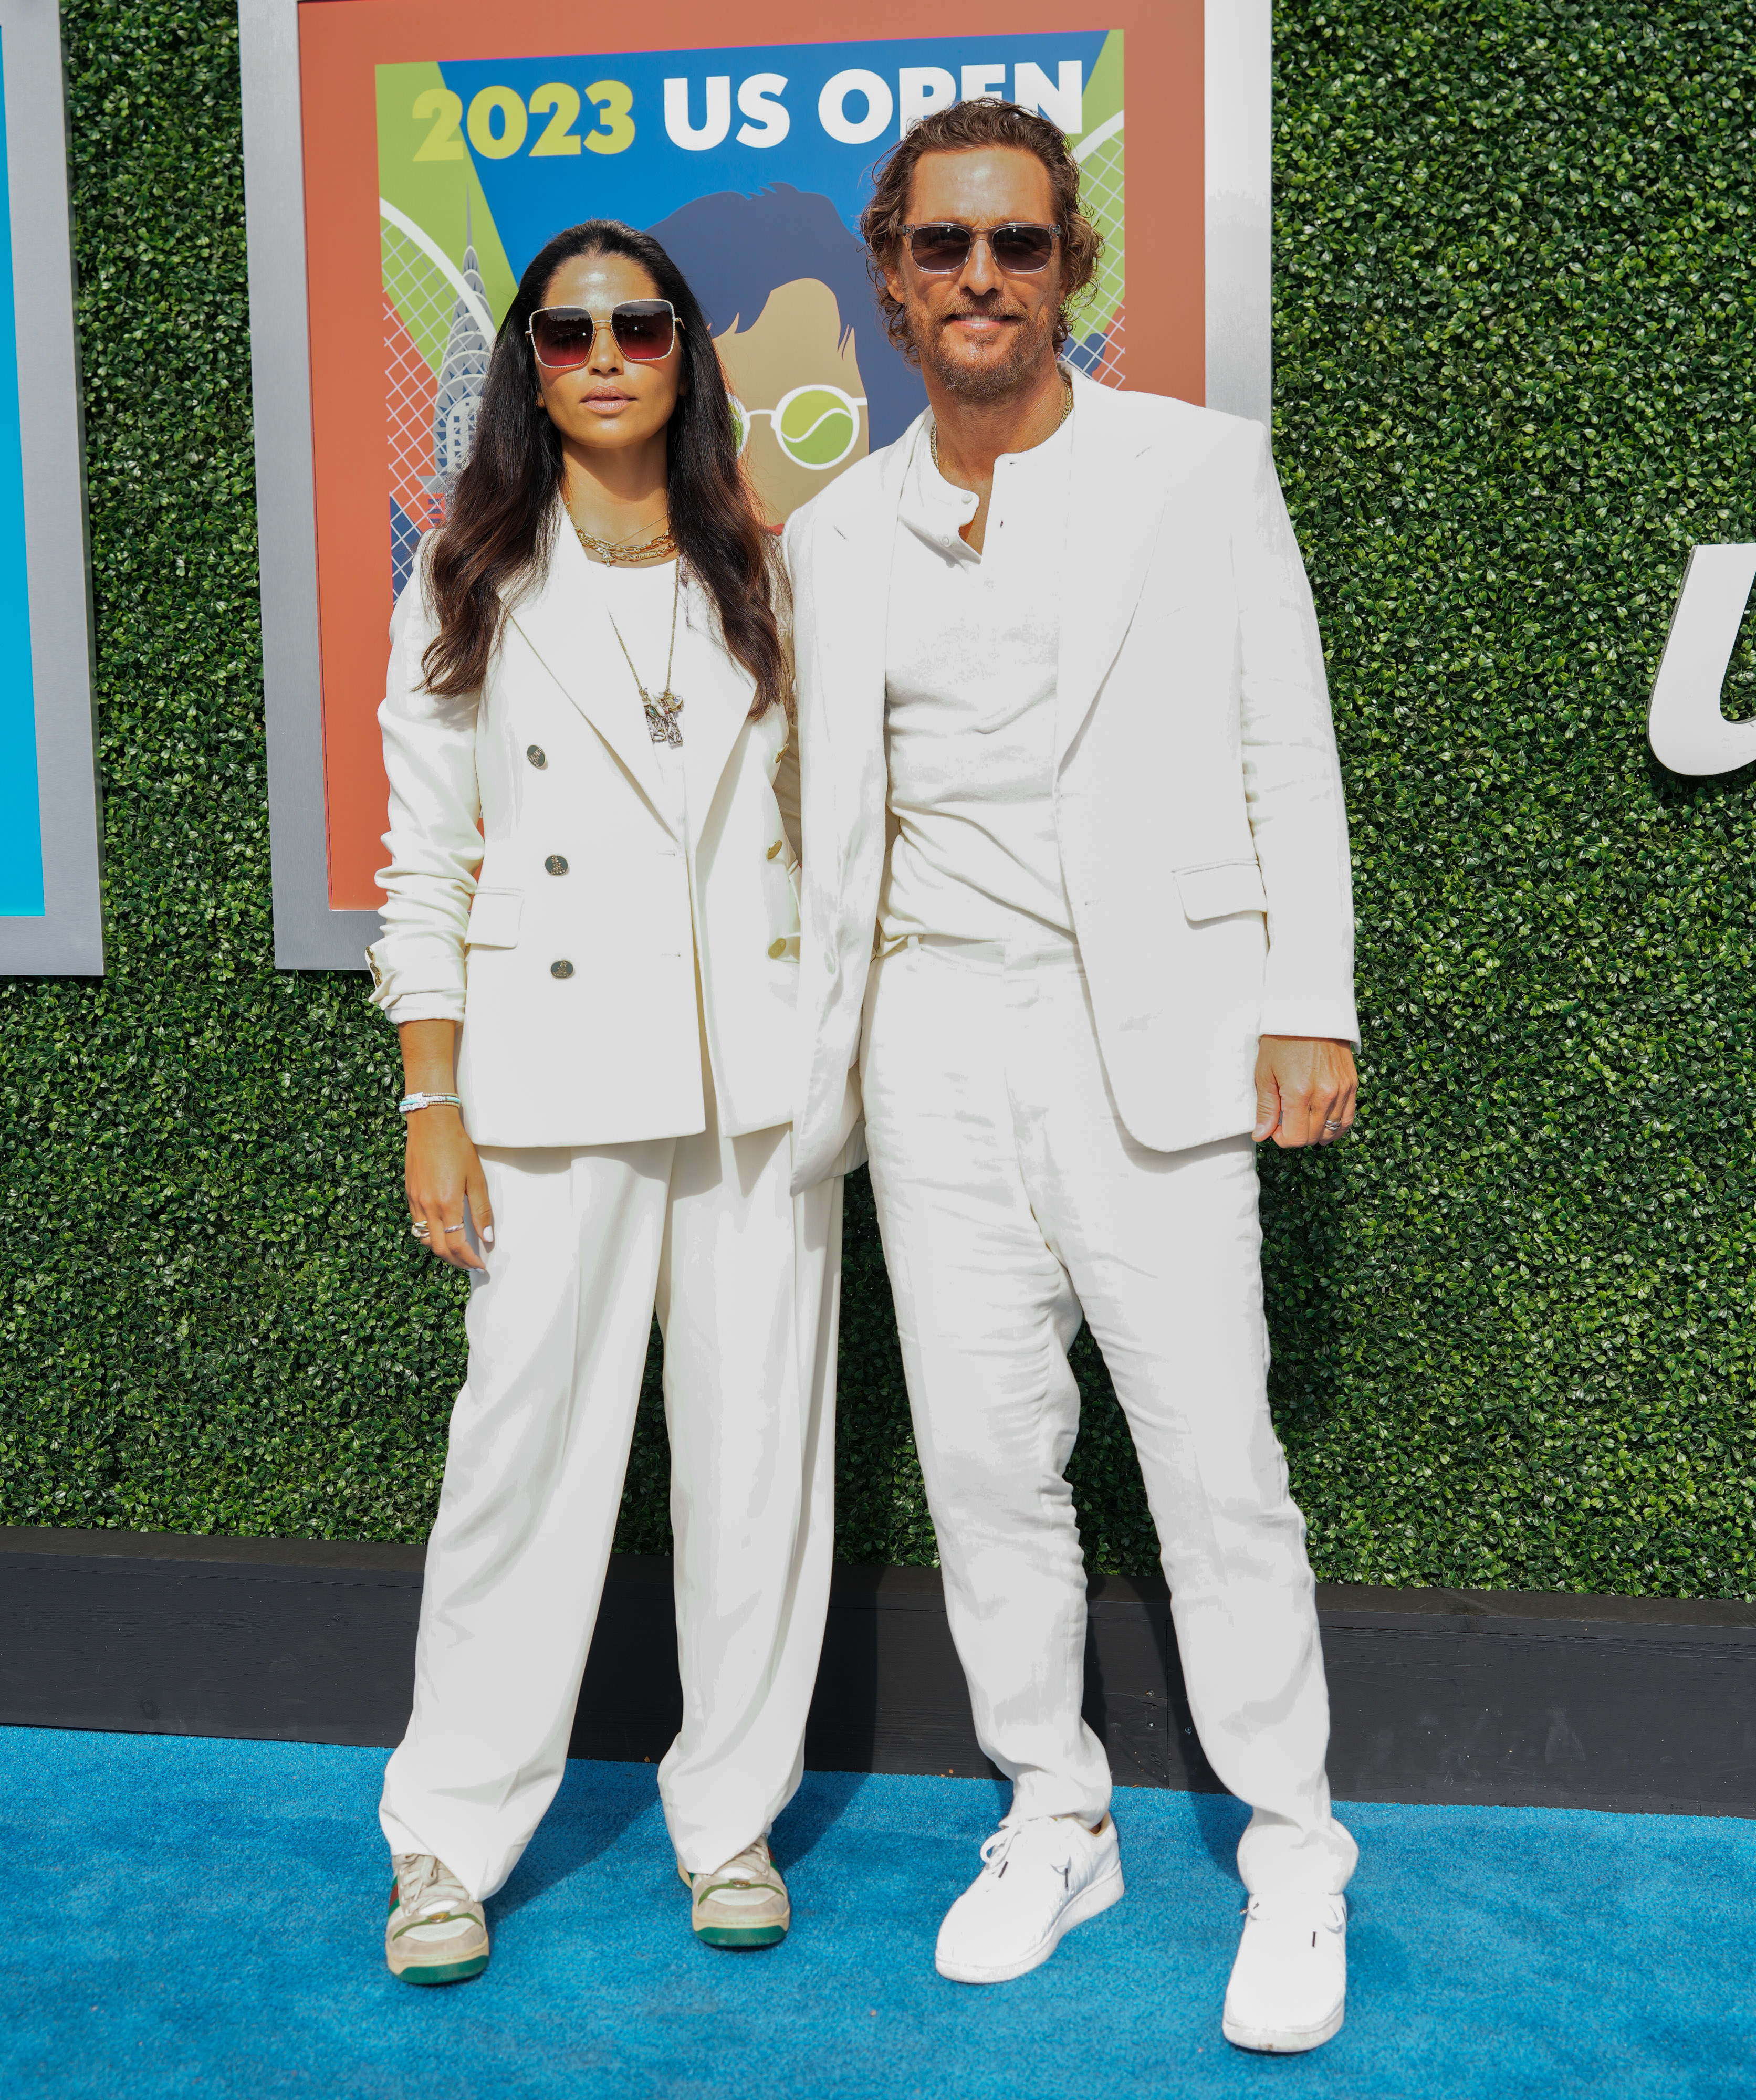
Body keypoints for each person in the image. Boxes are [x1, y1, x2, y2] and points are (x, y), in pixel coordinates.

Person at [782, 101, 1361, 2053]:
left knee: (1217, 1464)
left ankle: (1294, 1847)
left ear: (1071, 267)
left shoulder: (1202, 475)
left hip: (1164, 1038)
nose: (979, 280)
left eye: (1016, 245)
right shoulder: (835, 532)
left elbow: (1290, 750)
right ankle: (1055, 1809)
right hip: (934, 1036)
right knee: (981, 1463)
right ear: (888, 274)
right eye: (943, 247)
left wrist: (1314, 1000)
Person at [365, 218, 845, 1983]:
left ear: (687, 349)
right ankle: (447, 1839)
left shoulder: (775, 570)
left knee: (758, 1474)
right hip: (550, 1087)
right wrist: (433, 1102)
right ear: (528, 365)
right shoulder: (464, 578)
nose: (607, 355)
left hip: (757, 1089)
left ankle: (728, 1821)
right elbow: (425, 868)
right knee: (518, 1469)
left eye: (639, 323)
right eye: (568, 335)